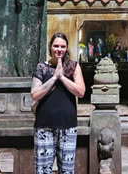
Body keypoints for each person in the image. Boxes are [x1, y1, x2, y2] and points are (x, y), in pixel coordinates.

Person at [31, 33, 86, 174]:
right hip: (44, 126)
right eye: (56, 46)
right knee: (42, 171)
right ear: (50, 47)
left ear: (67, 48)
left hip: (68, 126)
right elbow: (34, 94)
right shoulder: (41, 67)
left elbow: (81, 91)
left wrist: (62, 77)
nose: (59, 49)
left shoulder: (73, 67)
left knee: (67, 171)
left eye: (62, 46)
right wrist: (54, 77)